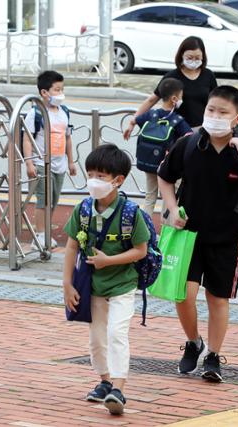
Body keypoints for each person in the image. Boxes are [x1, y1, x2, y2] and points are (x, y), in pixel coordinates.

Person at [157, 86, 238, 382]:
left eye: (223, 113)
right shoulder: (189, 143)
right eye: (211, 110)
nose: (215, 117)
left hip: (227, 236)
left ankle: (213, 356)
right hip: (189, 235)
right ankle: (193, 341)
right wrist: (171, 210)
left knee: (217, 299)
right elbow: (165, 176)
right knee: (184, 294)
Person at [62, 144, 149, 415]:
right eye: (90, 174)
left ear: (117, 180)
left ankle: (119, 388)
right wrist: (67, 283)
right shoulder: (84, 210)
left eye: (100, 175)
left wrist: (108, 261)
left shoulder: (130, 213)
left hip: (123, 284)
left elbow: (140, 250)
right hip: (95, 286)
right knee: (97, 337)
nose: (93, 181)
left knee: (116, 333)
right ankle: (104, 381)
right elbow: (72, 246)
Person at [23, 70, 77, 249]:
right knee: (42, 200)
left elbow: (68, 138)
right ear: (44, 92)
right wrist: (29, 162)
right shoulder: (35, 113)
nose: (60, 94)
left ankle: (45, 231)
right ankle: (39, 235)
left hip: (59, 165)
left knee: (53, 201)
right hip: (41, 164)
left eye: (62, 89)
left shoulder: (64, 112)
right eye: (56, 90)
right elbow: (27, 139)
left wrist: (70, 161)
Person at [124, 77, 192, 216]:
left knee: (150, 195)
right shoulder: (177, 120)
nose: (181, 99)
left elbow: (136, 120)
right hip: (167, 164)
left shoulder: (151, 114)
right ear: (174, 99)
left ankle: (146, 228)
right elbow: (189, 136)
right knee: (169, 196)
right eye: (181, 96)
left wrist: (130, 125)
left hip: (149, 162)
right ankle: (165, 228)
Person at [124, 36, 217, 136]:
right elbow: (152, 99)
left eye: (197, 58)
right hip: (177, 130)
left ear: (203, 57)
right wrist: (133, 121)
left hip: (202, 130)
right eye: (190, 58)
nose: (194, 61)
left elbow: (217, 101)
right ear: (181, 55)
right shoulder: (172, 76)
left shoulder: (208, 75)